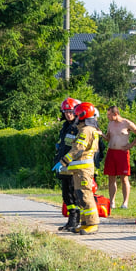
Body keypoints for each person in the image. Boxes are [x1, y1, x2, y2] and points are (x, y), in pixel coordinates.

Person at [60, 102, 102, 235]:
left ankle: (92, 224)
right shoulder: (86, 129)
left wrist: (64, 161)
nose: (75, 117)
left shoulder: (86, 130)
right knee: (80, 196)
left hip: (84, 170)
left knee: (86, 196)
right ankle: (84, 223)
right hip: (79, 170)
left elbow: (78, 149)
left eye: (77, 114)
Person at [52, 97, 81, 231]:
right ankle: (71, 220)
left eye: (70, 111)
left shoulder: (79, 127)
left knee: (74, 193)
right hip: (63, 164)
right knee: (66, 194)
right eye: (65, 112)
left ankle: (76, 220)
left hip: (74, 166)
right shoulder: (66, 126)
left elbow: (77, 148)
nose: (68, 114)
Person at [104, 106, 136, 209]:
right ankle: (112, 202)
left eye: (109, 115)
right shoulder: (110, 124)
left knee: (124, 178)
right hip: (111, 152)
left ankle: (125, 203)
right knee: (111, 178)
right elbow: (108, 138)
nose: (108, 117)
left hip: (122, 153)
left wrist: (131, 144)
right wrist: (101, 134)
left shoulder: (126, 123)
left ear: (116, 114)